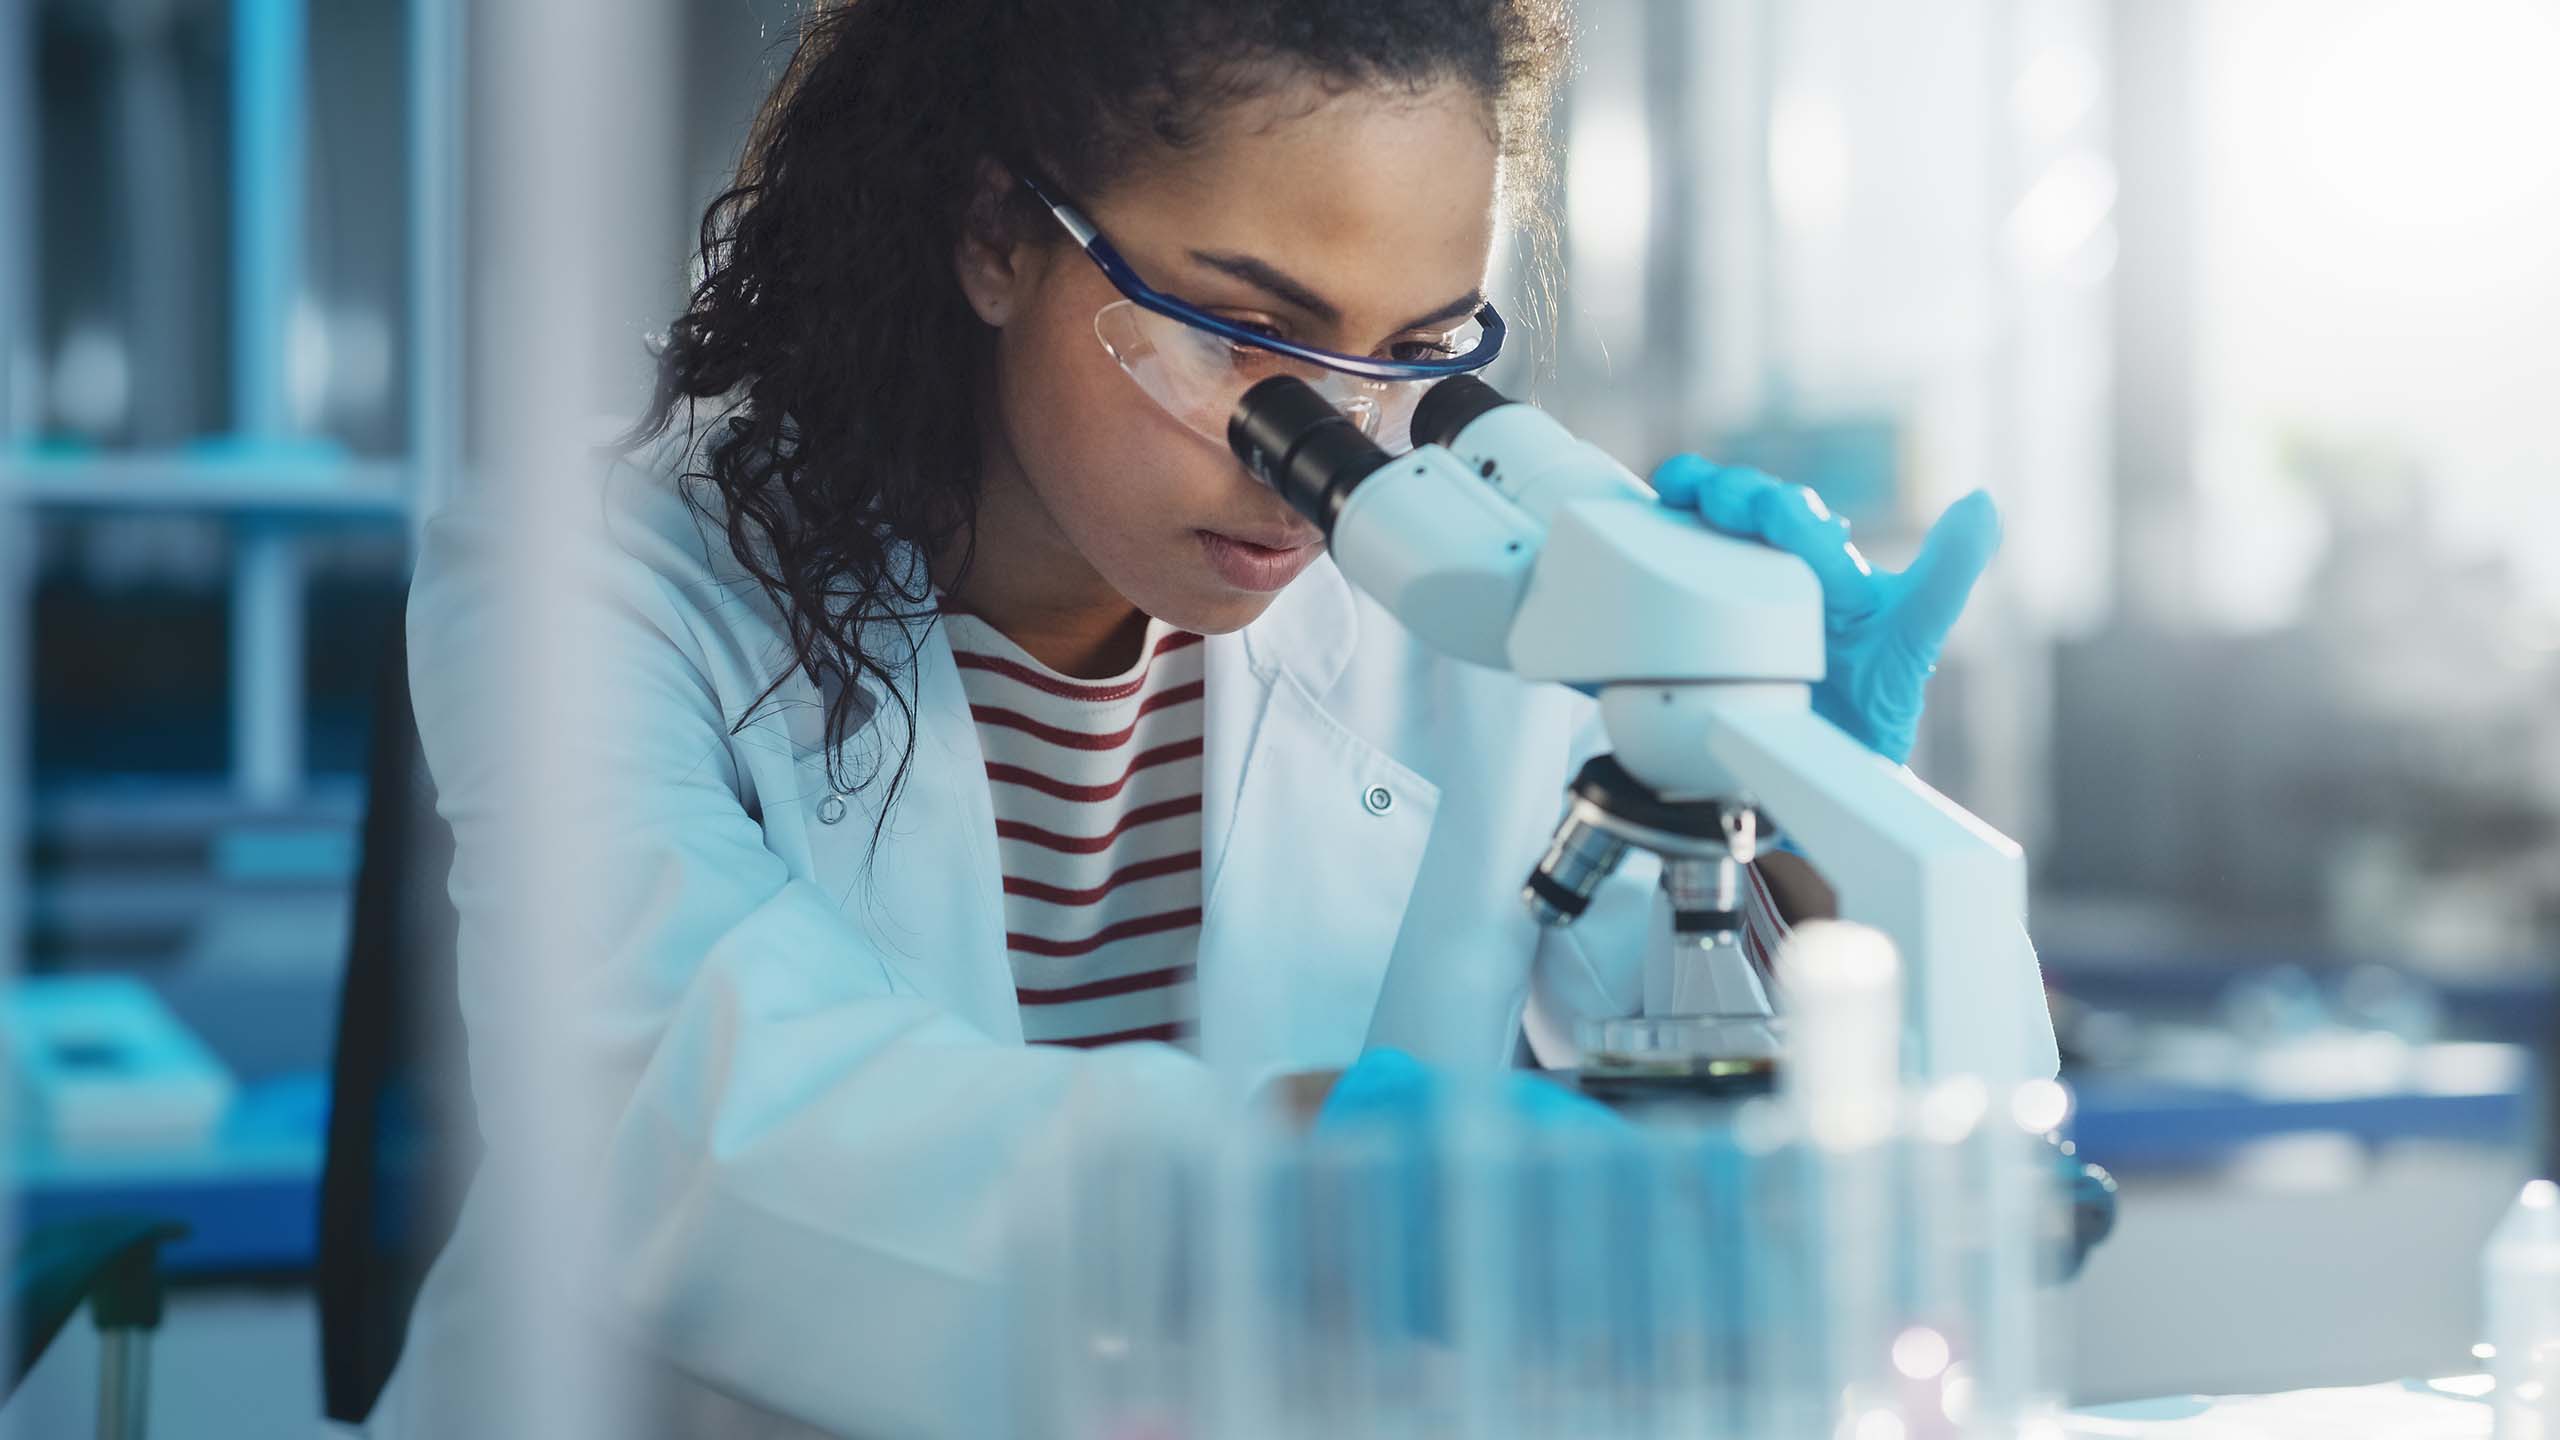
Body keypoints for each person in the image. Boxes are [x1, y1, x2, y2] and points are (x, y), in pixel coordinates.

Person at [375, 1, 2058, 1435]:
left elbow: (1842, 1168)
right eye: (1248, 332)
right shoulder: (603, 576)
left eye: (1413, 350)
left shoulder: (1467, 613)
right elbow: (690, 1131)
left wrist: (1810, 800)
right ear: (996, 239)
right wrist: (1315, 1184)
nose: (1334, 441)